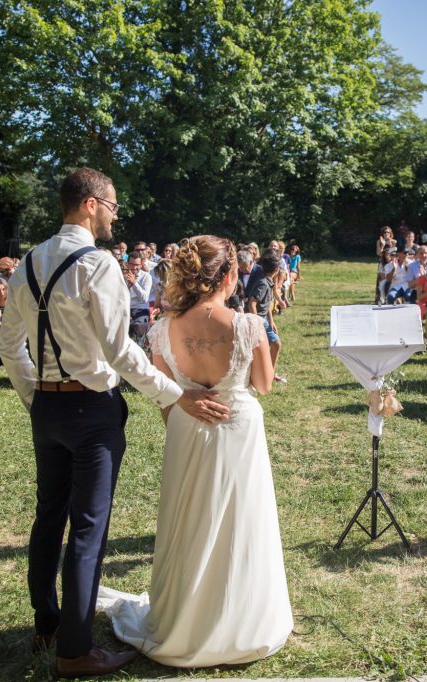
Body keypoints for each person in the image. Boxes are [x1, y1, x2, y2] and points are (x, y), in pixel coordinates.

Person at [0, 167, 229, 678]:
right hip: (90, 411)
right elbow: (118, 349)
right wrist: (174, 394)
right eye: (112, 205)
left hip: (47, 410)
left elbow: (8, 346)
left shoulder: (27, 263)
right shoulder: (98, 264)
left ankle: (48, 623)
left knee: (48, 517)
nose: (114, 214)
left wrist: (34, 397)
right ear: (89, 204)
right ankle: (76, 651)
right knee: (87, 528)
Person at [96, 236, 292, 667]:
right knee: (242, 520)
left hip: (185, 428)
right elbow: (261, 384)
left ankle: (184, 616)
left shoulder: (163, 328)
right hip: (238, 429)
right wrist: (270, 356)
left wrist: (184, 423)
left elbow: (167, 395)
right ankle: (240, 620)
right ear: (227, 274)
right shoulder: (247, 325)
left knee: (190, 518)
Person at [247, 249, 287, 384]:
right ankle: (267, 374)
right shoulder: (263, 284)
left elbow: (268, 303)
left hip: (264, 319)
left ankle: (269, 373)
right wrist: (256, 324)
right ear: (277, 269)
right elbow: (252, 303)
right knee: (274, 344)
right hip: (258, 319)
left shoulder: (268, 282)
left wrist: (271, 321)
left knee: (275, 344)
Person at [126, 253, 153, 349]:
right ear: (127, 264)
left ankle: (140, 349)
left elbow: (144, 298)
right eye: (132, 264)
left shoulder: (146, 277)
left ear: (141, 265)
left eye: (137, 265)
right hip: (125, 307)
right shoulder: (122, 276)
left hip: (140, 308)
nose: (134, 267)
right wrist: (127, 287)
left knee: (139, 328)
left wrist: (134, 283)